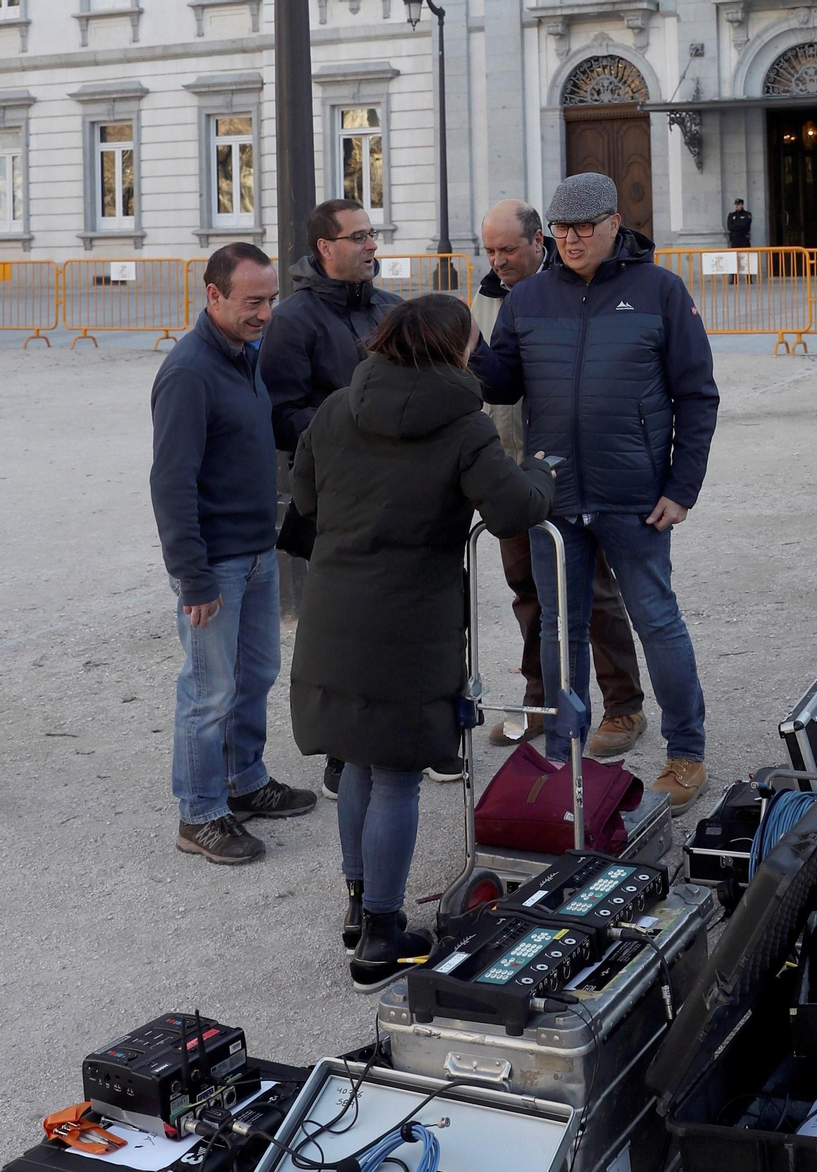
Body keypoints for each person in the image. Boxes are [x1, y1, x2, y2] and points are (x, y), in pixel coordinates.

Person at [289, 295, 555, 991]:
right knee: (399, 774)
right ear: (453, 350)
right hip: (408, 622)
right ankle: (380, 938)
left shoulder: (336, 408)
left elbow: (307, 500)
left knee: (356, 764)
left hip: (332, 612)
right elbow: (513, 512)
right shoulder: (464, 426)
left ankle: (359, 904)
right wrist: (543, 472)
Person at [472, 173, 719, 814]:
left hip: (634, 495)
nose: (572, 239)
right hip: (552, 496)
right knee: (560, 629)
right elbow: (501, 386)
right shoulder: (527, 299)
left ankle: (686, 754)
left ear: (615, 222)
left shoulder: (660, 290)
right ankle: (562, 754)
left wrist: (682, 486)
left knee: (657, 621)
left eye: (584, 227)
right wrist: (467, 345)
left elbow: (697, 395)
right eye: (561, 229)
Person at [150, 243, 317, 866]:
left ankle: (245, 781)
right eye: (252, 302)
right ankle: (198, 814)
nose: (265, 314)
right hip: (214, 565)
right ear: (213, 295)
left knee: (255, 677)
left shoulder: (247, 356)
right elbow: (170, 483)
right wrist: (192, 577)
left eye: (271, 300)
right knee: (207, 690)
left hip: (256, 553)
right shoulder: (189, 371)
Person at [473, 199, 649, 757]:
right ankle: (545, 700)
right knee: (529, 592)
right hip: (505, 471)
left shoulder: (574, 288)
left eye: (508, 250)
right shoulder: (484, 298)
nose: (498, 260)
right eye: (491, 251)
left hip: (569, 473)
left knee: (594, 593)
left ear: (538, 243)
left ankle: (624, 706)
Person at [260, 198, 402, 802]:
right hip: (338, 501)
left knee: (406, 621)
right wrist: (348, 428)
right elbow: (279, 414)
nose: (372, 245)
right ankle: (344, 755)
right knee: (347, 632)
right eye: (359, 237)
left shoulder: (393, 310)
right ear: (325, 247)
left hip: (404, 495)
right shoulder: (291, 320)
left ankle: (407, 735)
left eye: (373, 234)